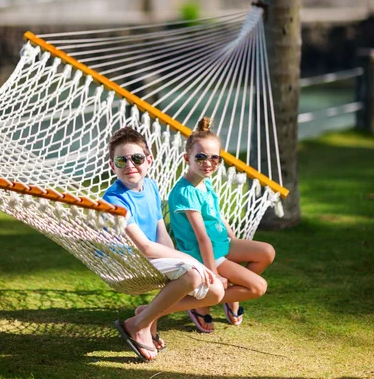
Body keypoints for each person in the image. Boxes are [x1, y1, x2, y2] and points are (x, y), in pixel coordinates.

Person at [102, 126, 225, 363]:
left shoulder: (151, 186)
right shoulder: (114, 200)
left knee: (216, 292)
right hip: (128, 261)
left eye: (136, 158)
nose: (130, 165)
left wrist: (178, 257)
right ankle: (138, 325)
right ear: (112, 165)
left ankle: (146, 315)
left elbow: (161, 232)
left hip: (152, 258)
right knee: (191, 276)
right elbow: (145, 247)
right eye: (121, 160)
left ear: (148, 160)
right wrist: (189, 261)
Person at [168, 117, 275, 333]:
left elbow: (217, 216)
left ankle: (230, 294)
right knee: (257, 287)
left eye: (214, 158)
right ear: (186, 158)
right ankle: (197, 305)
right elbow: (201, 238)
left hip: (220, 243)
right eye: (200, 157)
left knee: (266, 252)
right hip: (203, 252)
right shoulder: (185, 192)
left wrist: (234, 240)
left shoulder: (204, 182)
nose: (208, 163)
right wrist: (214, 274)